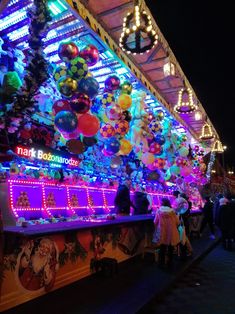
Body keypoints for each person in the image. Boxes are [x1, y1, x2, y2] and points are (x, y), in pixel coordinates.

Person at [152, 198, 180, 267]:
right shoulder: (173, 212)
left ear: (162, 204)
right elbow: (177, 222)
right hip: (171, 232)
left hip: (162, 232)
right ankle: (170, 262)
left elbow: (155, 222)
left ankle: (161, 263)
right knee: (170, 248)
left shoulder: (159, 211)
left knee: (162, 248)